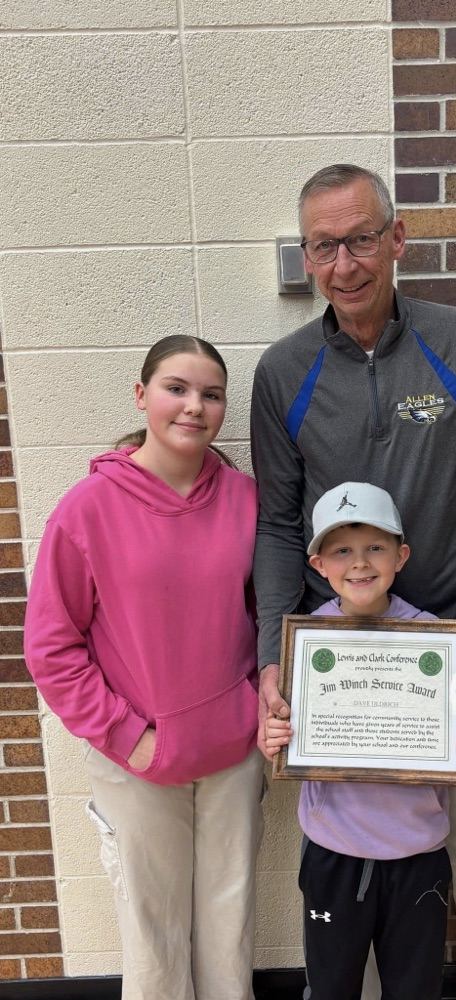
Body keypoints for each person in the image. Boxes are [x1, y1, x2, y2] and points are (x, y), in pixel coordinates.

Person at [251, 163, 456, 999]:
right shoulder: (283, 372)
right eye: (324, 246)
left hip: (455, 650)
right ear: (306, 259)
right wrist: (277, 657)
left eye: (361, 238)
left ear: (397, 239)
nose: (345, 263)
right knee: (354, 869)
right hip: (338, 668)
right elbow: (277, 522)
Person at [24, 335, 265, 1000]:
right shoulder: (88, 508)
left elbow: (271, 617)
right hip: (137, 759)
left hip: (231, 755)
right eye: (176, 389)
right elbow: (51, 645)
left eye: (210, 395)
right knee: (153, 942)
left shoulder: (248, 500)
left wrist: (254, 708)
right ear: (141, 395)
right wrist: (131, 736)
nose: (194, 407)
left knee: (229, 929)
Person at [266, 481, 456, 999]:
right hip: (333, 851)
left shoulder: (435, 636)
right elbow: (287, 735)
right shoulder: (303, 644)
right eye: (342, 549)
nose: (360, 563)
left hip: (417, 852)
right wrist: (278, 737)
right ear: (318, 564)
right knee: (331, 986)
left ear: (400, 555)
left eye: (375, 547)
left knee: (414, 989)